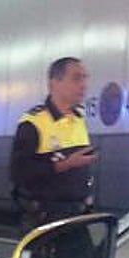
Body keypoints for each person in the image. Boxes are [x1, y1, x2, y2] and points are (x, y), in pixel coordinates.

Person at [10, 57, 96, 235]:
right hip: (44, 221)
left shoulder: (78, 120)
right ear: (54, 83)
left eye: (85, 78)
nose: (84, 84)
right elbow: (18, 172)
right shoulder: (34, 122)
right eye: (76, 78)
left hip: (77, 218)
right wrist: (65, 164)